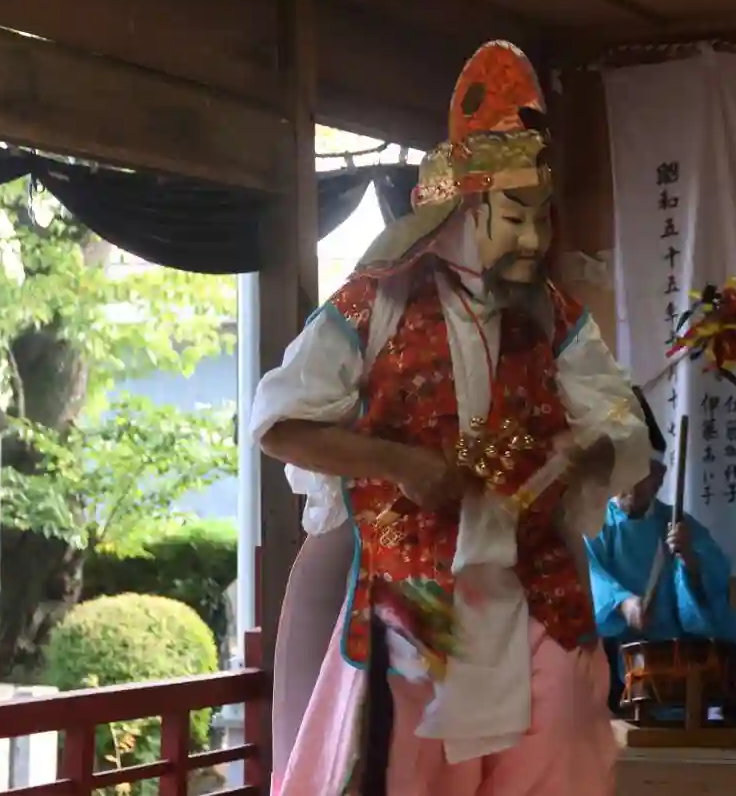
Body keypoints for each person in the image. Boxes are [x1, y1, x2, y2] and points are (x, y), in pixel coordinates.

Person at [251, 40, 651, 796]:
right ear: (465, 209)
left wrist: (591, 452)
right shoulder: (373, 305)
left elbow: (621, 424)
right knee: (408, 763)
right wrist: (401, 464)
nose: (533, 240)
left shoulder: (555, 318)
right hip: (407, 591)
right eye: (515, 217)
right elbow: (278, 424)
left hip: (530, 588)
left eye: (542, 218)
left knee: (564, 724)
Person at [585, 387, 736, 728]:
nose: (632, 484)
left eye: (642, 474)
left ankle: (731, 701)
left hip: (677, 636)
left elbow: (713, 582)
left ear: (659, 478)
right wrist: (624, 604)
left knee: (726, 636)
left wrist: (689, 559)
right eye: (624, 473)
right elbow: (590, 574)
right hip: (620, 636)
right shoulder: (594, 524)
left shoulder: (677, 524)